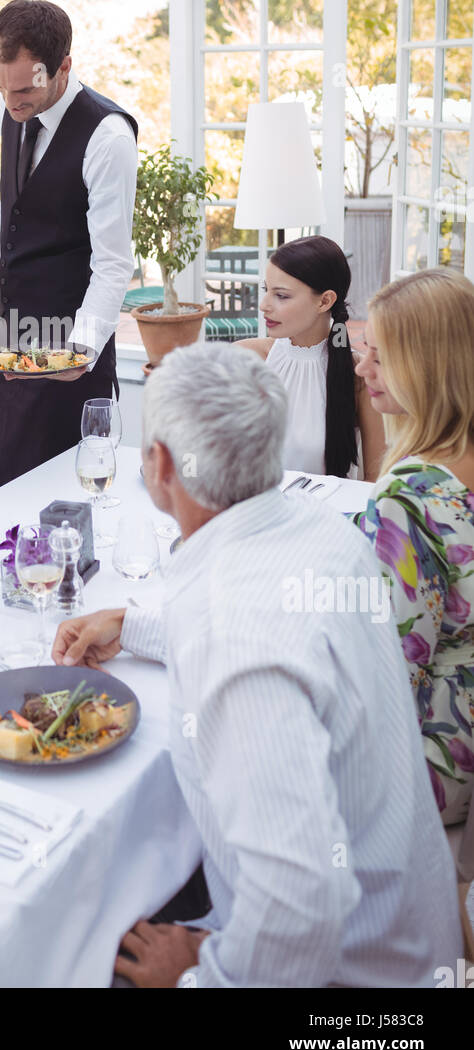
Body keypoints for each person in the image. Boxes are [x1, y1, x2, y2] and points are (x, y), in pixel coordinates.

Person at [52, 344, 461, 987]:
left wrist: (197, 977)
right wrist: (134, 626)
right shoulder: (322, 531)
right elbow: (290, 641)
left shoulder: (236, 635)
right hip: (406, 931)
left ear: (160, 465)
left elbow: (301, 904)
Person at [0, 0, 137, 488]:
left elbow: (113, 265)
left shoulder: (108, 137)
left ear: (63, 66)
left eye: (21, 89)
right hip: (11, 336)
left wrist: (76, 356)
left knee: (66, 499)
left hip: (69, 342)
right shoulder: (17, 109)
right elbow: (23, 202)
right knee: (0, 491)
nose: (9, 102)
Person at [352, 267, 474, 826]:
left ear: (426, 367)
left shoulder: (413, 493)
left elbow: (396, 675)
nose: (362, 368)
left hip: (441, 759)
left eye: (378, 356)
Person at [238, 235, 384, 481]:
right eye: (266, 290)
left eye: (281, 295)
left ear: (325, 301)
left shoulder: (359, 375)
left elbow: (374, 479)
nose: (264, 305)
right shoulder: (246, 359)